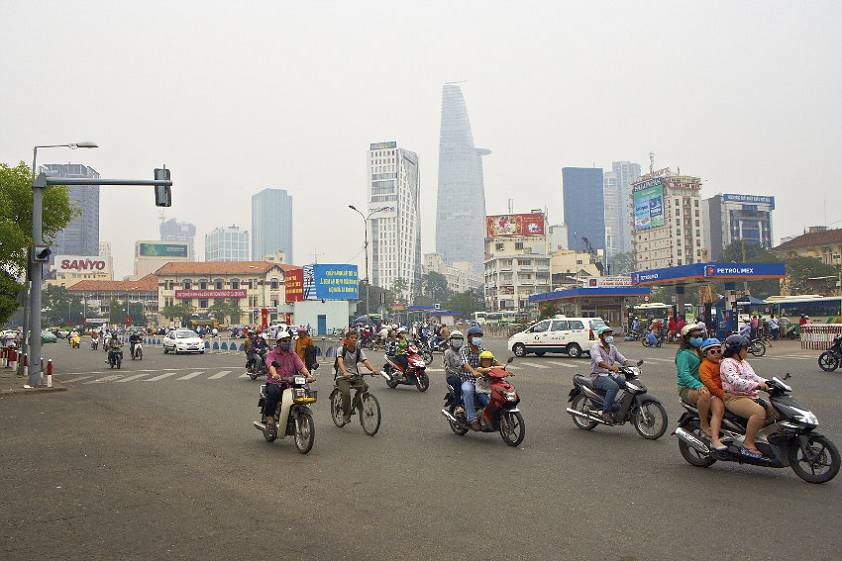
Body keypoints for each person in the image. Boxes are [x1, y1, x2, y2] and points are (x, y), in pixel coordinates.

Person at [719, 335, 771, 459]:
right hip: (734, 397)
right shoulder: (727, 363)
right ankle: (747, 444)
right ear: (736, 350)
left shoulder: (743, 362)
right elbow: (735, 381)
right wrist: (757, 385)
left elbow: (754, 377)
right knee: (759, 413)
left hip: (749, 396)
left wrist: (770, 383)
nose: (747, 350)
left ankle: (757, 437)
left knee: (775, 410)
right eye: (745, 348)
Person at [263, 332, 314, 437]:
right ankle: (270, 419)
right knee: (274, 393)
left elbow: (301, 366)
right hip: (276, 382)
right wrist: (274, 374)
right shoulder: (272, 354)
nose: (287, 343)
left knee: (304, 392)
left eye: (288, 340)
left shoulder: (292, 354)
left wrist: (308, 375)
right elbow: (270, 364)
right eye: (284, 341)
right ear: (278, 342)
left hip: (291, 382)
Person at [590, 326, 638, 421]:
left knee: (629, 385)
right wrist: (611, 368)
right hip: (598, 376)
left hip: (611, 375)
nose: (609, 336)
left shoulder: (612, 348)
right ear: (601, 336)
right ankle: (606, 412)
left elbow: (622, 359)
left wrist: (631, 367)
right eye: (607, 334)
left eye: (610, 334)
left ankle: (623, 407)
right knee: (613, 387)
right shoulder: (595, 347)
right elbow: (599, 362)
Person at [675, 324, 713, 438]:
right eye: (695, 336)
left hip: (703, 384)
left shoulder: (700, 351)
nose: (699, 338)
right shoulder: (683, 354)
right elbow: (684, 374)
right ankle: (704, 424)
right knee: (704, 395)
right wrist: (699, 386)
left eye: (700, 336)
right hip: (687, 388)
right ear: (687, 338)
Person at [335, 330, 377, 425]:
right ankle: (346, 414)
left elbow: (365, 361)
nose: (354, 340)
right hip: (342, 376)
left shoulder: (359, 350)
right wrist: (344, 372)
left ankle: (355, 402)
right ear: (347, 339)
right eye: (352, 338)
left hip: (354, 375)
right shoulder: (341, 349)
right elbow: (340, 361)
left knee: (364, 386)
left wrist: (373, 370)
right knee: (346, 393)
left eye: (355, 338)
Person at [459, 325, 493, 430]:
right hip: (467, 379)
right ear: (469, 337)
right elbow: (465, 363)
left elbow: (492, 360)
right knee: (468, 390)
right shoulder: (464, 349)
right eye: (475, 336)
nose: (478, 338)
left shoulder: (482, 350)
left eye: (479, 336)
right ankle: (472, 419)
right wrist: (473, 371)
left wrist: (504, 367)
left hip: (482, 380)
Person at [697, 338, 727, 452]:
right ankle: (715, 440)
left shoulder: (722, 362)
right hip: (714, 394)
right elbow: (709, 384)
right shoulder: (705, 366)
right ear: (705, 353)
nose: (716, 354)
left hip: (726, 391)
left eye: (719, 351)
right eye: (713, 351)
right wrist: (721, 394)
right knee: (718, 410)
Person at [443, 330, 465, 411]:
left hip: (465, 375)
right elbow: (447, 367)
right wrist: (457, 372)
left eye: (459, 339)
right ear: (451, 341)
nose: (457, 341)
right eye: (455, 339)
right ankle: (458, 404)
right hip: (452, 376)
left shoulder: (464, 351)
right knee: (457, 381)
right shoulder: (447, 352)